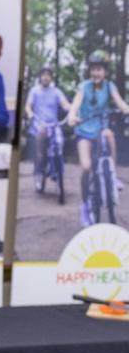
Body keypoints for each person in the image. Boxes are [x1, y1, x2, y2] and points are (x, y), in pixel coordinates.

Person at [68, 50, 129, 226]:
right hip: (84, 131)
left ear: (105, 72)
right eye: (93, 69)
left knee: (109, 134)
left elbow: (120, 102)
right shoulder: (83, 86)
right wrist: (72, 115)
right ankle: (85, 205)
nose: (96, 73)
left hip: (101, 129)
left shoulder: (110, 86)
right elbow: (76, 104)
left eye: (100, 69)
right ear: (90, 71)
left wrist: (126, 108)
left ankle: (113, 173)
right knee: (86, 167)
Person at [24, 67, 71, 194]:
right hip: (39, 125)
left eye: (48, 75)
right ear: (40, 77)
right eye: (43, 75)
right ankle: (38, 174)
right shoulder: (35, 91)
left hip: (53, 125)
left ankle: (57, 173)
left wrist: (72, 109)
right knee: (40, 154)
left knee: (60, 144)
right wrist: (29, 113)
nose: (45, 77)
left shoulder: (56, 91)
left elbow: (64, 104)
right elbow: (28, 105)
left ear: (51, 78)